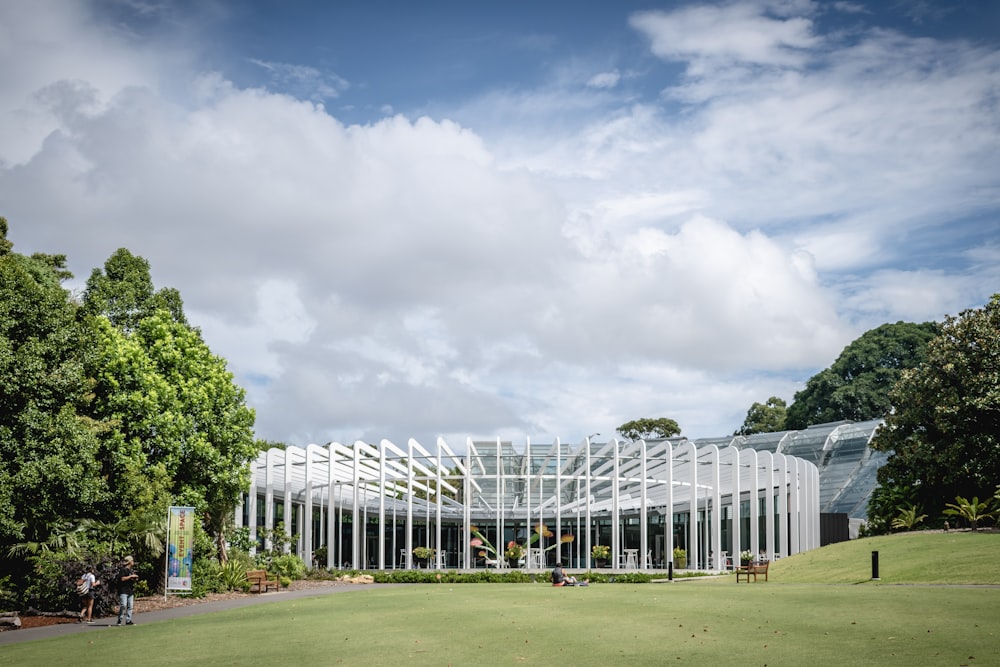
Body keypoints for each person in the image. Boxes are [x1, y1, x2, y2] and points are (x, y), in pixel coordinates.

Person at [116, 555, 139, 626]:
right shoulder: (123, 570)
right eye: (132, 561)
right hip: (123, 590)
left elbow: (130, 579)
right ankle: (119, 620)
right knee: (123, 605)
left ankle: (128, 620)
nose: (133, 562)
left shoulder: (130, 570)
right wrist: (131, 576)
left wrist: (135, 578)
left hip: (130, 590)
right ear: (129, 562)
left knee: (130, 606)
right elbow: (122, 579)